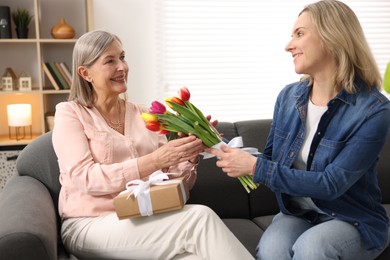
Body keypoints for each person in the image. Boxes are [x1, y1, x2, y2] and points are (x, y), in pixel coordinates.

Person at [207, 0, 390, 259]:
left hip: (352, 218)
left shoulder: (373, 110)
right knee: (272, 250)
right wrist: (221, 145)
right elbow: (270, 160)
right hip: (299, 213)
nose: (288, 45)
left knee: (312, 247)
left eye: (300, 34)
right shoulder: (289, 97)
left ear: (332, 36)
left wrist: (254, 167)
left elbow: (331, 184)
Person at [52, 30, 254, 260]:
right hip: (89, 224)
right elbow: (84, 177)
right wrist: (155, 160)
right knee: (199, 218)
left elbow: (177, 187)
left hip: (144, 219)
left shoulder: (145, 114)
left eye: (123, 57)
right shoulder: (70, 113)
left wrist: (188, 155)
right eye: (110, 60)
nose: (122, 67)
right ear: (85, 73)